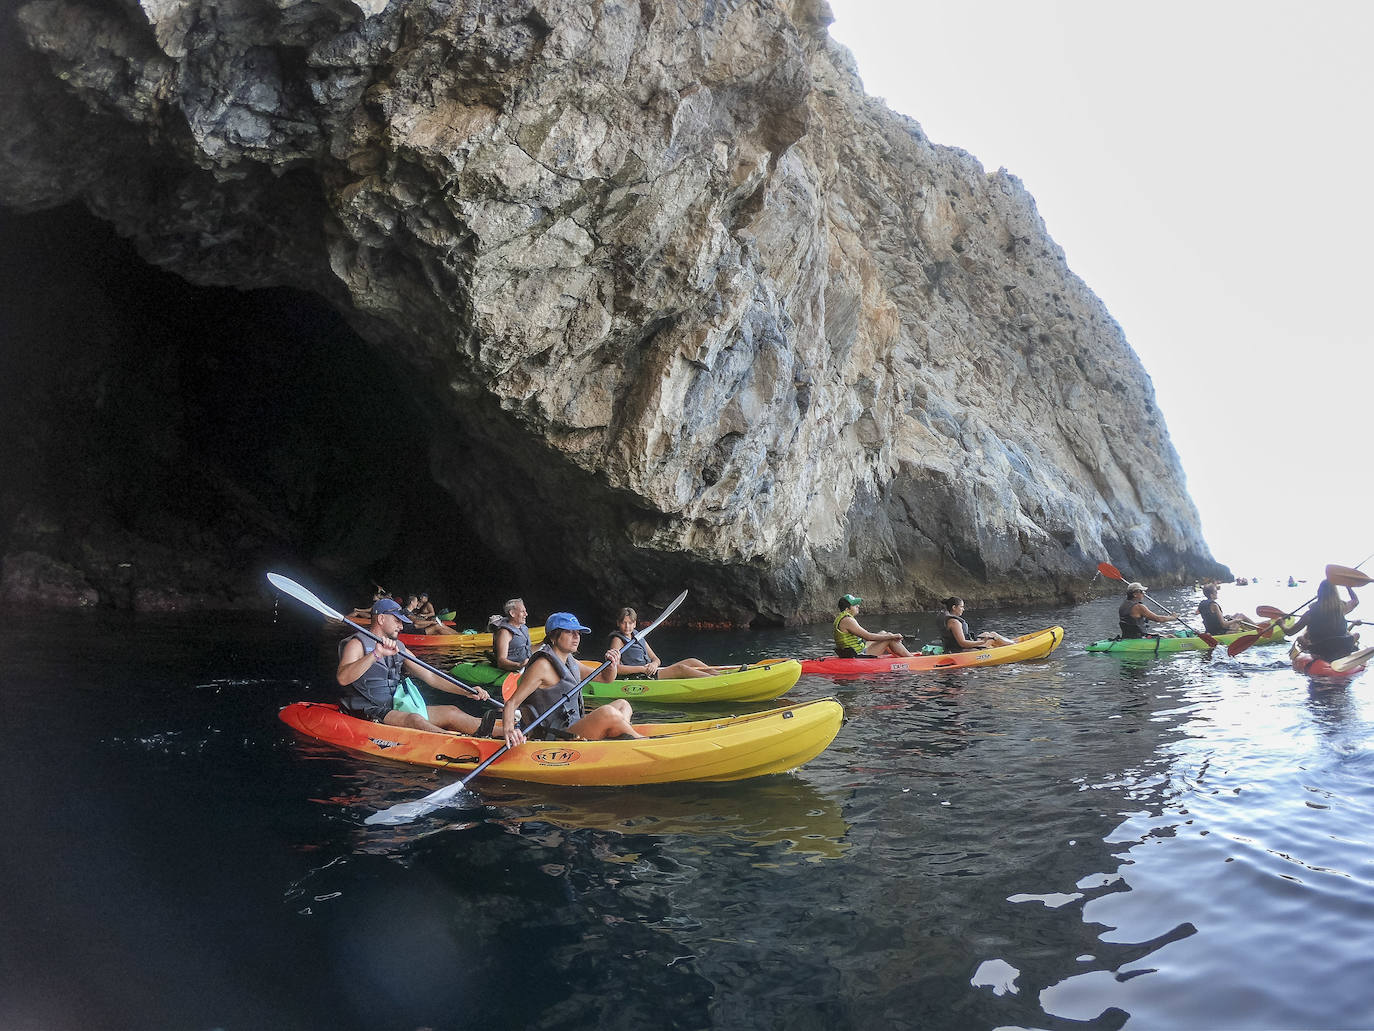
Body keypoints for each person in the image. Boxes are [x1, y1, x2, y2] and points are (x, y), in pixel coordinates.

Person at [335, 598, 493, 733]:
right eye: (397, 621)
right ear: (381, 619)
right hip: (366, 709)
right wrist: (375, 655)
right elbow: (343, 678)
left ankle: (507, 733)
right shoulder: (357, 644)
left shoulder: (400, 648)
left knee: (452, 712)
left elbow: (431, 676)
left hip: (394, 705)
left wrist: (466, 691)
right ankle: (461, 741)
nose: (401, 626)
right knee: (415, 720)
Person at [502, 612, 641, 747]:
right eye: (569, 632)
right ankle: (639, 742)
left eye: (578, 633)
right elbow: (511, 703)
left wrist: (612, 664)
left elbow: (606, 678)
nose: (576, 637)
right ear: (553, 637)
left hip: (574, 727)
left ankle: (623, 739)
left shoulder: (571, 662)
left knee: (623, 704)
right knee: (607, 712)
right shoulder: (542, 666)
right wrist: (509, 730)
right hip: (556, 736)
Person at [610, 607, 726, 679]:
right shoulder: (618, 640)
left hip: (651, 671)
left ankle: (715, 673)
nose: (627, 626)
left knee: (692, 661)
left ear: (635, 624)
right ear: (618, 623)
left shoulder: (638, 636)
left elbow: (656, 659)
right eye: (624, 623)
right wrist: (643, 669)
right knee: (681, 669)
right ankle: (715, 681)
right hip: (639, 676)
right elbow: (617, 669)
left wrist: (654, 664)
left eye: (630, 623)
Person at [1285, 579, 1360, 661]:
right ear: (1335, 593)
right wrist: (1348, 587)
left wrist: (1280, 623)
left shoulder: (1310, 614)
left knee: (1300, 638)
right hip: (1343, 646)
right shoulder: (1341, 608)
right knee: (1356, 635)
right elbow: (1355, 601)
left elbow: (1290, 632)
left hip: (1320, 650)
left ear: (1319, 593)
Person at [833, 594, 912, 658]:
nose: (858, 606)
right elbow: (868, 637)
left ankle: (898, 655)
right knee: (889, 638)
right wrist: (893, 636)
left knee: (883, 633)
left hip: (852, 651)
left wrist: (890, 636)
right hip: (857, 655)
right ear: (847, 609)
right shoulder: (848, 620)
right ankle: (910, 659)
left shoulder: (841, 618)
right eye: (854, 605)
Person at [939, 597, 1014, 651]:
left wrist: (981, 640)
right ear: (954, 607)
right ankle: (1013, 647)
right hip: (962, 650)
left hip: (957, 647)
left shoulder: (949, 619)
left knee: (987, 634)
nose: (963, 609)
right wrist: (982, 642)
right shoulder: (954, 622)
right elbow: (962, 643)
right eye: (961, 607)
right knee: (993, 637)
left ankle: (1010, 644)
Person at [489, 597, 533, 672]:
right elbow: (501, 661)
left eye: (525, 611)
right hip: (514, 670)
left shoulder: (523, 628)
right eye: (522, 611)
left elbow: (528, 650)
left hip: (526, 667)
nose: (526, 614)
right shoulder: (504, 632)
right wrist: (519, 665)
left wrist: (544, 643)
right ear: (512, 613)